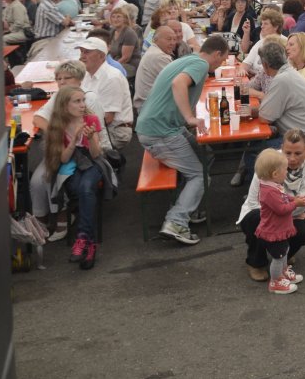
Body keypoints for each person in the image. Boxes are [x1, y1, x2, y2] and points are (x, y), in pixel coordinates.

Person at [134, 35, 230, 246]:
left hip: (160, 127)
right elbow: (178, 84)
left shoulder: (187, 59)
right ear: (217, 54)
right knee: (199, 176)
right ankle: (176, 222)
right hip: (160, 132)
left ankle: (188, 206)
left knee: (206, 154)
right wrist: (189, 118)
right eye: (223, 60)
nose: (221, 64)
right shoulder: (201, 64)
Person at [234, 40, 305, 185]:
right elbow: (270, 111)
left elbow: (265, 118)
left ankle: (264, 193)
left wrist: (251, 111)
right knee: (257, 143)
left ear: (265, 65)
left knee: (255, 151)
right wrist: (252, 111)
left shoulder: (282, 80)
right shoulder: (289, 73)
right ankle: (272, 190)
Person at [237, 129, 305, 283]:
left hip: (287, 214)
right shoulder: (268, 163)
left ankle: (283, 256)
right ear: (281, 148)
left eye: (298, 153)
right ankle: (256, 263)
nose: (292, 159)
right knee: (257, 219)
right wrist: (291, 210)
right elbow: (254, 202)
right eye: (288, 153)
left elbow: (300, 207)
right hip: (262, 212)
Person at [37, 86, 106, 269]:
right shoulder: (58, 126)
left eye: (83, 100)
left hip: (92, 163)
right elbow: (63, 159)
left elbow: (96, 154)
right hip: (72, 163)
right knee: (81, 190)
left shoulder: (91, 120)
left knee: (85, 188)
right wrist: (74, 140)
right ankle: (90, 244)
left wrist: (90, 138)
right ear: (64, 105)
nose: (83, 105)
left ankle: (81, 238)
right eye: (77, 101)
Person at [249, 149, 305, 294]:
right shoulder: (269, 191)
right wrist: (296, 203)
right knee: (278, 257)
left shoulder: (272, 186)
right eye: (285, 170)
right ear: (275, 174)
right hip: (273, 231)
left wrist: (293, 198)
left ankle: (283, 273)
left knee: (284, 251)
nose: (287, 172)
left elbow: (283, 197)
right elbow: (281, 209)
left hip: (279, 229)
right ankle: (276, 281)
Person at [76, 38, 133, 149]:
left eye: (87, 52)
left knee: (71, 145)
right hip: (99, 126)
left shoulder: (112, 77)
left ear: (102, 56)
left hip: (115, 131)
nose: (81, 56)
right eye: (81, 51)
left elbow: (107, 118)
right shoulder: (86, 75)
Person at [133, 25, 178, 112]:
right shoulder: (158, 56)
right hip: (152, 109)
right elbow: (178, 81)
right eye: (168, 39)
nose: (172, 43)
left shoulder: (155, 50)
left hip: (153, 104)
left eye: (174, 39)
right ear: (155, 40)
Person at [107, 7, 141, 79]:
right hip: (116, 62)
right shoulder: (112, 31)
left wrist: (111, 66)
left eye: (118, 17)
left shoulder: (129, 33)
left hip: (129, 65)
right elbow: (108, 49)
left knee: (106, 73)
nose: (115, 19)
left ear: (125, 19)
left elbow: (126, 58)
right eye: (113, 17)